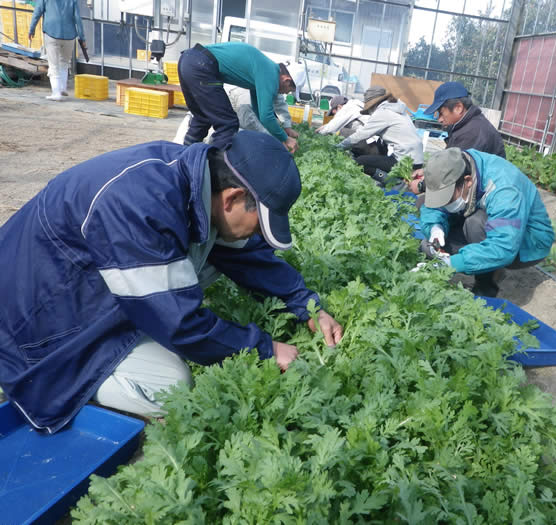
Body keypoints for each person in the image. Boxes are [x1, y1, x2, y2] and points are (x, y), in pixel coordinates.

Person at [0, 131, 343, 434]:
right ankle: (74, 383)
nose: (256, 234)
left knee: (217, 247)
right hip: (30, 327)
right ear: (233, 198)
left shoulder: (189, 177)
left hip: (76, 283)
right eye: (258, 223)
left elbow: (244, 254)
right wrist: (265, 350)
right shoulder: (139, 207)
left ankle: (142, 315)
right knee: (171, 385)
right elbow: (181, 325)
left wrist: (308, 305)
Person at [418, 148, 554, 297]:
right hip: (491, 223)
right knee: (428, 243)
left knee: (474, 224)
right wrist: (435, 228)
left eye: (448, 198)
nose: (445, 203)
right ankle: (480, 264)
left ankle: (486, 285)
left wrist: (450, 264)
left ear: (467, 181)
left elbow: (504, 247)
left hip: (528, 242)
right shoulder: (457, 163)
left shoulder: (505, 190)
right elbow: (432, 207)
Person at [177, 41, 298, 152]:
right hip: (202, 65)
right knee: (228, 124)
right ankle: (213, 166)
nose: (284, 94)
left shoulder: (265, 70)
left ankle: (184, 157)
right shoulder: (271, 74)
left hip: (189, 59)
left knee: (202, 118)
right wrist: (285, 139)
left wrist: (283, 132)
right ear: (286, 80)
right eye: (288, 91)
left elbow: (259, 112)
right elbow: (266, 116)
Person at [409, 82, 505, 194]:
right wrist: (427, 172)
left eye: (441, 113)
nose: (439, 119)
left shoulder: (473, 132)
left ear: (458, 108)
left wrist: (422, 186)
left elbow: (454, 172)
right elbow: (449, 160)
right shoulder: (465, 125)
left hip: (488, 193)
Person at [336, 86, 423, 185]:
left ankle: (394, 183)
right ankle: (390, 180)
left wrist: (338, 147)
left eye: (369, 109)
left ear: (374, 104)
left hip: (405, 162)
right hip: (416, 160)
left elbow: (360, 135)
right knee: (379, 157)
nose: (370, 113)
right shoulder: (397, 109)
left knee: (360, 162)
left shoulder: (382, 112)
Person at [172, 85, 300, 145]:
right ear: (286, 80)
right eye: (289, 89)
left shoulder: (271, 84)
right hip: (200, 126)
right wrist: (274, 138)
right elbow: (247, 121)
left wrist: (287, 127)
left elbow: (279, 103)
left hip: (219, 127)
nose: (287, 93)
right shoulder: (246, 91)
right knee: (181, 161)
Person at [28, 0, 86, 101]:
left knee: (53, 65)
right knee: (64, 62)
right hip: (70, 36)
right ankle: (62, 87)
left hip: (52, 34)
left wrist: (31, 30)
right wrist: (82, 38)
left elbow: (37, 13)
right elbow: (78, 19)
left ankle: (56, 93)